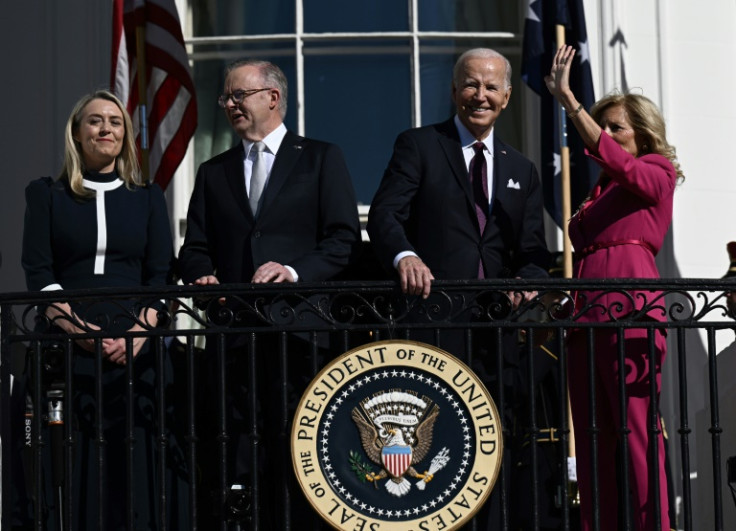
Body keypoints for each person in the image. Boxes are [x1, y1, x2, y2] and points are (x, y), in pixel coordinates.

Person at [366, 47, 550, 529]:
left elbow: (533, 256)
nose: (480, 95)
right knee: (436, 445)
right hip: (433, 324)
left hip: (495, 335)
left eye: (491, 87)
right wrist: (405, 255)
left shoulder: (522, 170)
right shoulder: (420, 145)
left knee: (491, 449)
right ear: (454, 90)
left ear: (507, 97)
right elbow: (386, 215)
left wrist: (526, 287)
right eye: (471, 84)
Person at [177, 59, 361, 527]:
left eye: (239, 95)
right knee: (239, 458)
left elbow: (342, 240)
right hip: (235, 338)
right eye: (226, 98)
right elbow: (194, 248)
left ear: (272, 97)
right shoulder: (213, 170)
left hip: (302, 336)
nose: (230, 105)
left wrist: (294, 271)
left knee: (304, 455)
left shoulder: (320, 157)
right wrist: (203, 278)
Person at [19, 90, 183, 529]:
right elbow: (39, 271)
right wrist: (79, 331)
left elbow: (161, 276)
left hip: (137, 345)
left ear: (125, 136)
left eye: (114, 122)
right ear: (77, 133)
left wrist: (138, 334)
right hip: (67, 346)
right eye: (94, 121)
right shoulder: (46, 196)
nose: (105, 128)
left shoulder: (147, 197)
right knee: (71, 466)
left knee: (137, 464)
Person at [545, 44, 683, 531]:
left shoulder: (657, 174)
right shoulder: (598, 193)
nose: (604, 137)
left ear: (643, 135)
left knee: (638, 436)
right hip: (585, 322)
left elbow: (627, 169)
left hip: (631, 315)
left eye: (615, 128)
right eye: (600, 127)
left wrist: (571, 102)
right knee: (594, 440)